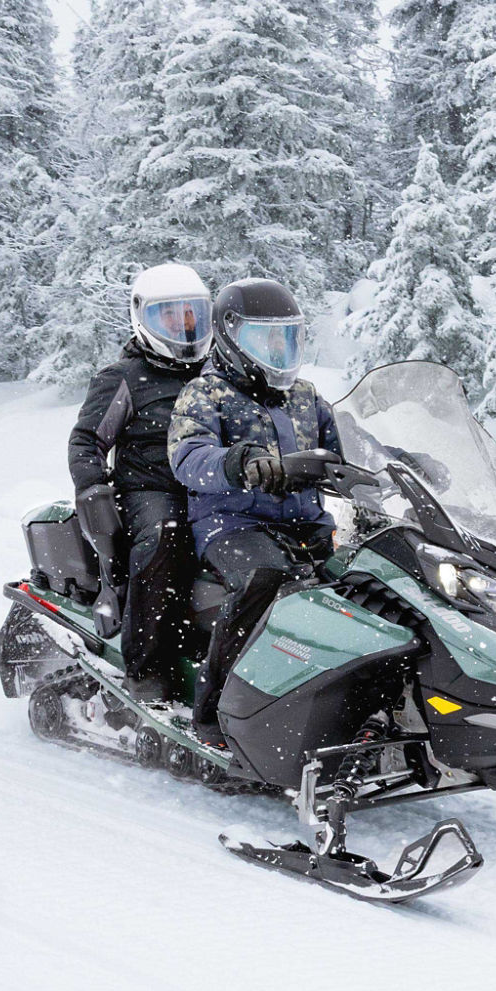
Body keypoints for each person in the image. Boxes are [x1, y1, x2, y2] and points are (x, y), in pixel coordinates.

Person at [168, 278, 341, 744]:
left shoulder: (306, 396)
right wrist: (239, 462)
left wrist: (412, 463)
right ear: (230, 336)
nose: (279, 350)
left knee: (367, 580)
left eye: (288, 338)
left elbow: (349, 451)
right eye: (265, 338)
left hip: (307, 523)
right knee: (265, 580)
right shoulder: (205, 393)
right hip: (233, 524)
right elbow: (188, 456)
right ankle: (214, 715)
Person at [67, 263, 213, 702]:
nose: (183, 327)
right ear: (143, 319)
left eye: (192, 316)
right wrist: (94, 488)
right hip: (151, 490)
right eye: (169, 317)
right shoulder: (126, 378)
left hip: (211, 486)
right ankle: (147, 668)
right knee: (165, 538)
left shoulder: (216, 376)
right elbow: (87, 439)